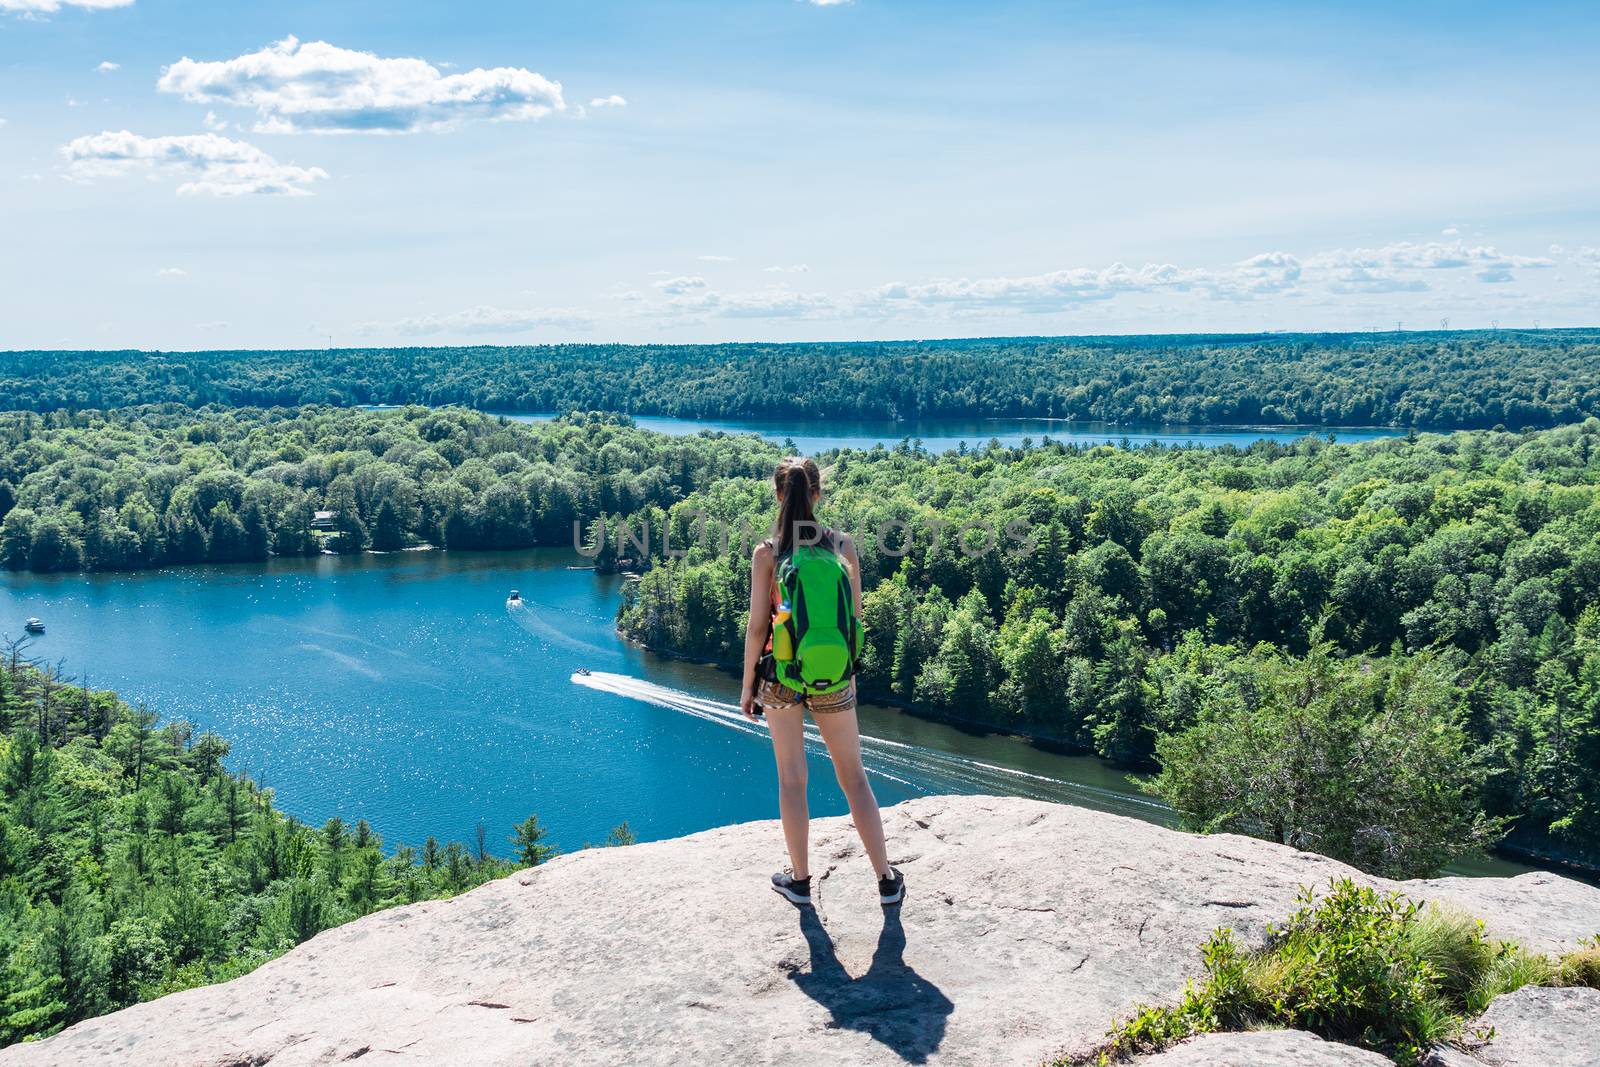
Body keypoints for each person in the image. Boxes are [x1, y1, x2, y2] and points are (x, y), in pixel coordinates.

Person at [739, 456, 904, 907]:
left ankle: (800, 883)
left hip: (781, 678)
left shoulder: (767, 553)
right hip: (833, 676)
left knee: (792, 780)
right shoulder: (841, 546)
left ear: (778, 494)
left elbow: (758, 627)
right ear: (818, 493)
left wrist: (747, 684)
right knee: (854, 777)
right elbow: (854, 619)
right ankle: (887, 880)